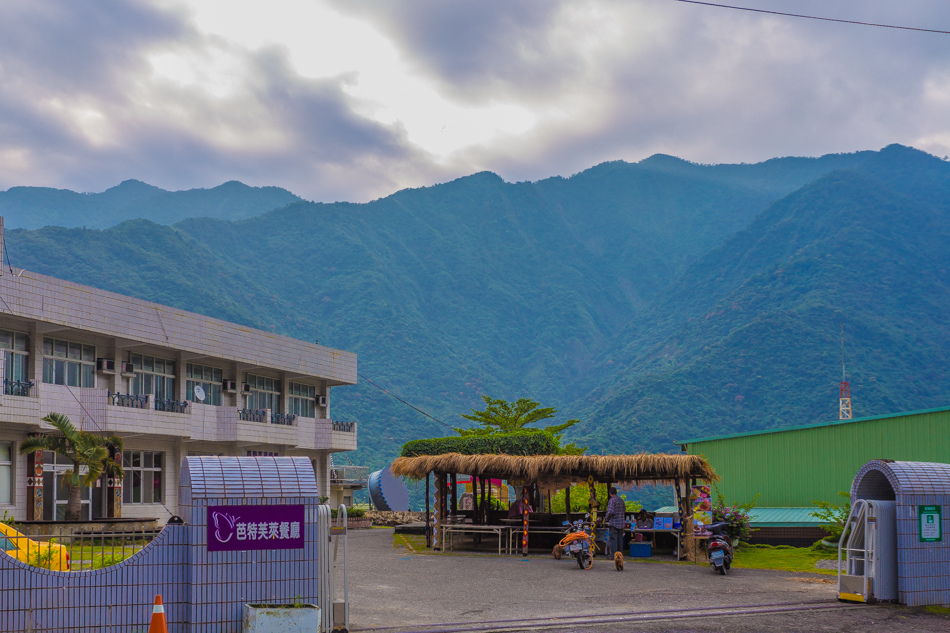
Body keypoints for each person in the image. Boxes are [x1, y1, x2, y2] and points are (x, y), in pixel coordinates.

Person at [604, 487, 626, 556]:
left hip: (614, 523)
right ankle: (620, 555)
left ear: (610, 493)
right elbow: (624, 510)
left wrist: (606, 518)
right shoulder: (621, 500)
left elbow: (610, 511)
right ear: (616, 492)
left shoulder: (612, 500)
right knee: (620, 540)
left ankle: (614, 555)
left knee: (614, 539)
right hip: (621, 523)